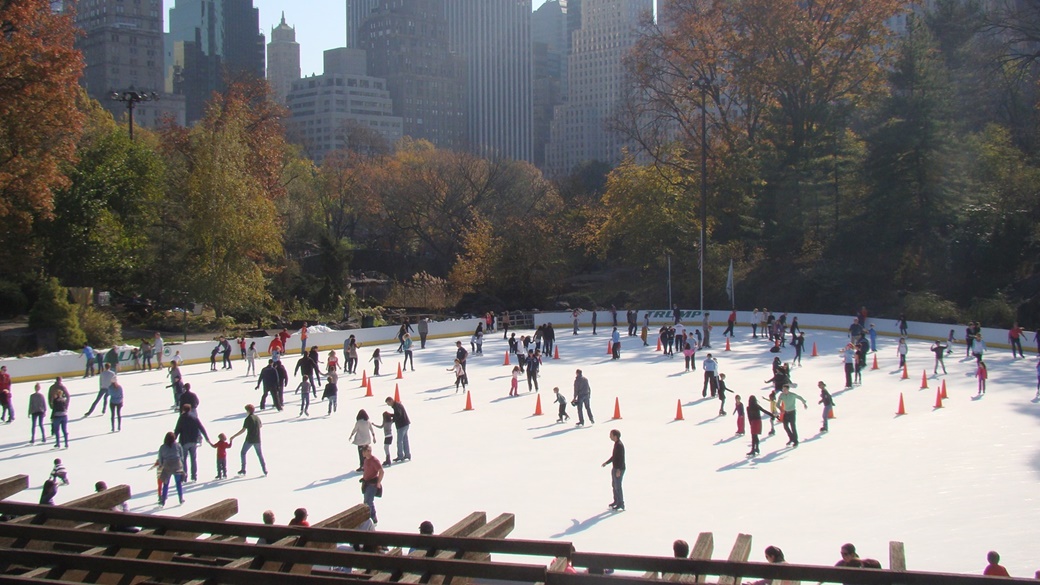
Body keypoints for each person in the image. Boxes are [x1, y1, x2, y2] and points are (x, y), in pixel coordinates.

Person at [174, 404, 210, 483]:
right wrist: (207, 438)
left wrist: (173, 440)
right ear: (190, 409)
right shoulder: (194, 417)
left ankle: (184, 477)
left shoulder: (181, 418)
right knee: (193, 459)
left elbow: (177, 430)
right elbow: (201, 427)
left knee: (183, 460)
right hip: (193, 441)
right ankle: (194, 476)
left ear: (183, 409)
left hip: (184, 442)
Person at [230, 404, 268, 476]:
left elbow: (243, 430)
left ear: (248, 411)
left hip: (249, 439)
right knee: (259, 454)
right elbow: (260, 426)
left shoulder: (248, 419)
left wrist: (234, 436)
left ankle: (243, 469)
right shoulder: (257, 417)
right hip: (257, 439)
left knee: (243, 453)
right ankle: (264, 469)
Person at [152, 431, 185, 507]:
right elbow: (181, 456)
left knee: (166, 484)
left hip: (167, 466)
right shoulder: (178, 445)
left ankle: (163, 501)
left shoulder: (162, 447)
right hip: (177, 465)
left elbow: (160, 458)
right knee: (178, 483)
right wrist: (181, 465)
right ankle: (180, 498)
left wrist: (161, 465)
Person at [360, 444, 384, 525]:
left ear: (368, 451)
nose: (362, 453)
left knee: (368, 501)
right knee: (367, 501)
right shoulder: (366, 460)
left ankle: (373, 519)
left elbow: (381, 471)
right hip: (366, 483)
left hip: (372, 484)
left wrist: (378, 482)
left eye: (364, 451)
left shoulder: (374, 461)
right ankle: (369, 518)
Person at [602, 429, 625, 511]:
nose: (610, 436)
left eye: (611, 435)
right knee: (614, 485)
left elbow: (621, 458)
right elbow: (614, 457)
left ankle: (620, 503)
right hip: (615, 468)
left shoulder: (619, 445)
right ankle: (616, 501)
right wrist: (606, 463)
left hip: (618, 469)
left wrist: (619, 469)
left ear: (615, 436)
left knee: (618, 486)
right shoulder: (616, 444)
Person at [385, 397, 411, 462]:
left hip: (402, 426)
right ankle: (407, 454)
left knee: (399, 441)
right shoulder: (397, 405)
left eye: (388, 403)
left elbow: (398, 415)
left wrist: (392, 420)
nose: (389, 405)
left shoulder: (396, 406)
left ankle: (400, 456)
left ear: (391, 401)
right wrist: (391, 415)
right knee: (405, 440)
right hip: (406, 424)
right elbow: (397, 414)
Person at [49, 378, 70, 449]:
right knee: (64, 430)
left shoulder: (55, 400)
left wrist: (52, 417)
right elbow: (67, 401)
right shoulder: (63, 400)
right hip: (64, 415)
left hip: (57, 416)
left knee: (57, 430)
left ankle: (58, 443)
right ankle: (66, 443)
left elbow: (54, 409)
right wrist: (66, 409)